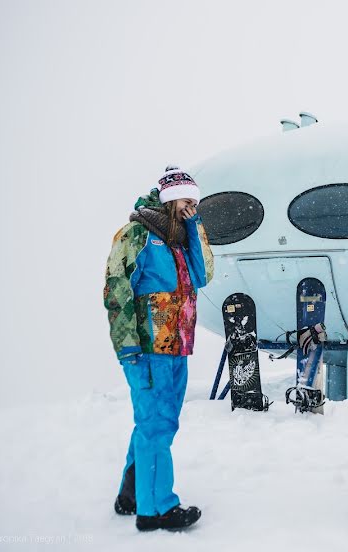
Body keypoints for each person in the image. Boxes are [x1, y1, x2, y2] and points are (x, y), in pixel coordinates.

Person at [104, 166, 213, 532]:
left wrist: (195, 229)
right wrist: (128, 345)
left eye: (195, 201)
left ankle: (132, 494)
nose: (191, 206)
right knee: (157, 424)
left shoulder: (181, 239)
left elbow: (203, 275)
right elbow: (116, 290)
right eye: (187, 199)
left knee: (156, 422)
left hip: (178, 345)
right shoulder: (136, 234)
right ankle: (157, 510)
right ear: (168, 197)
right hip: (148, 347)